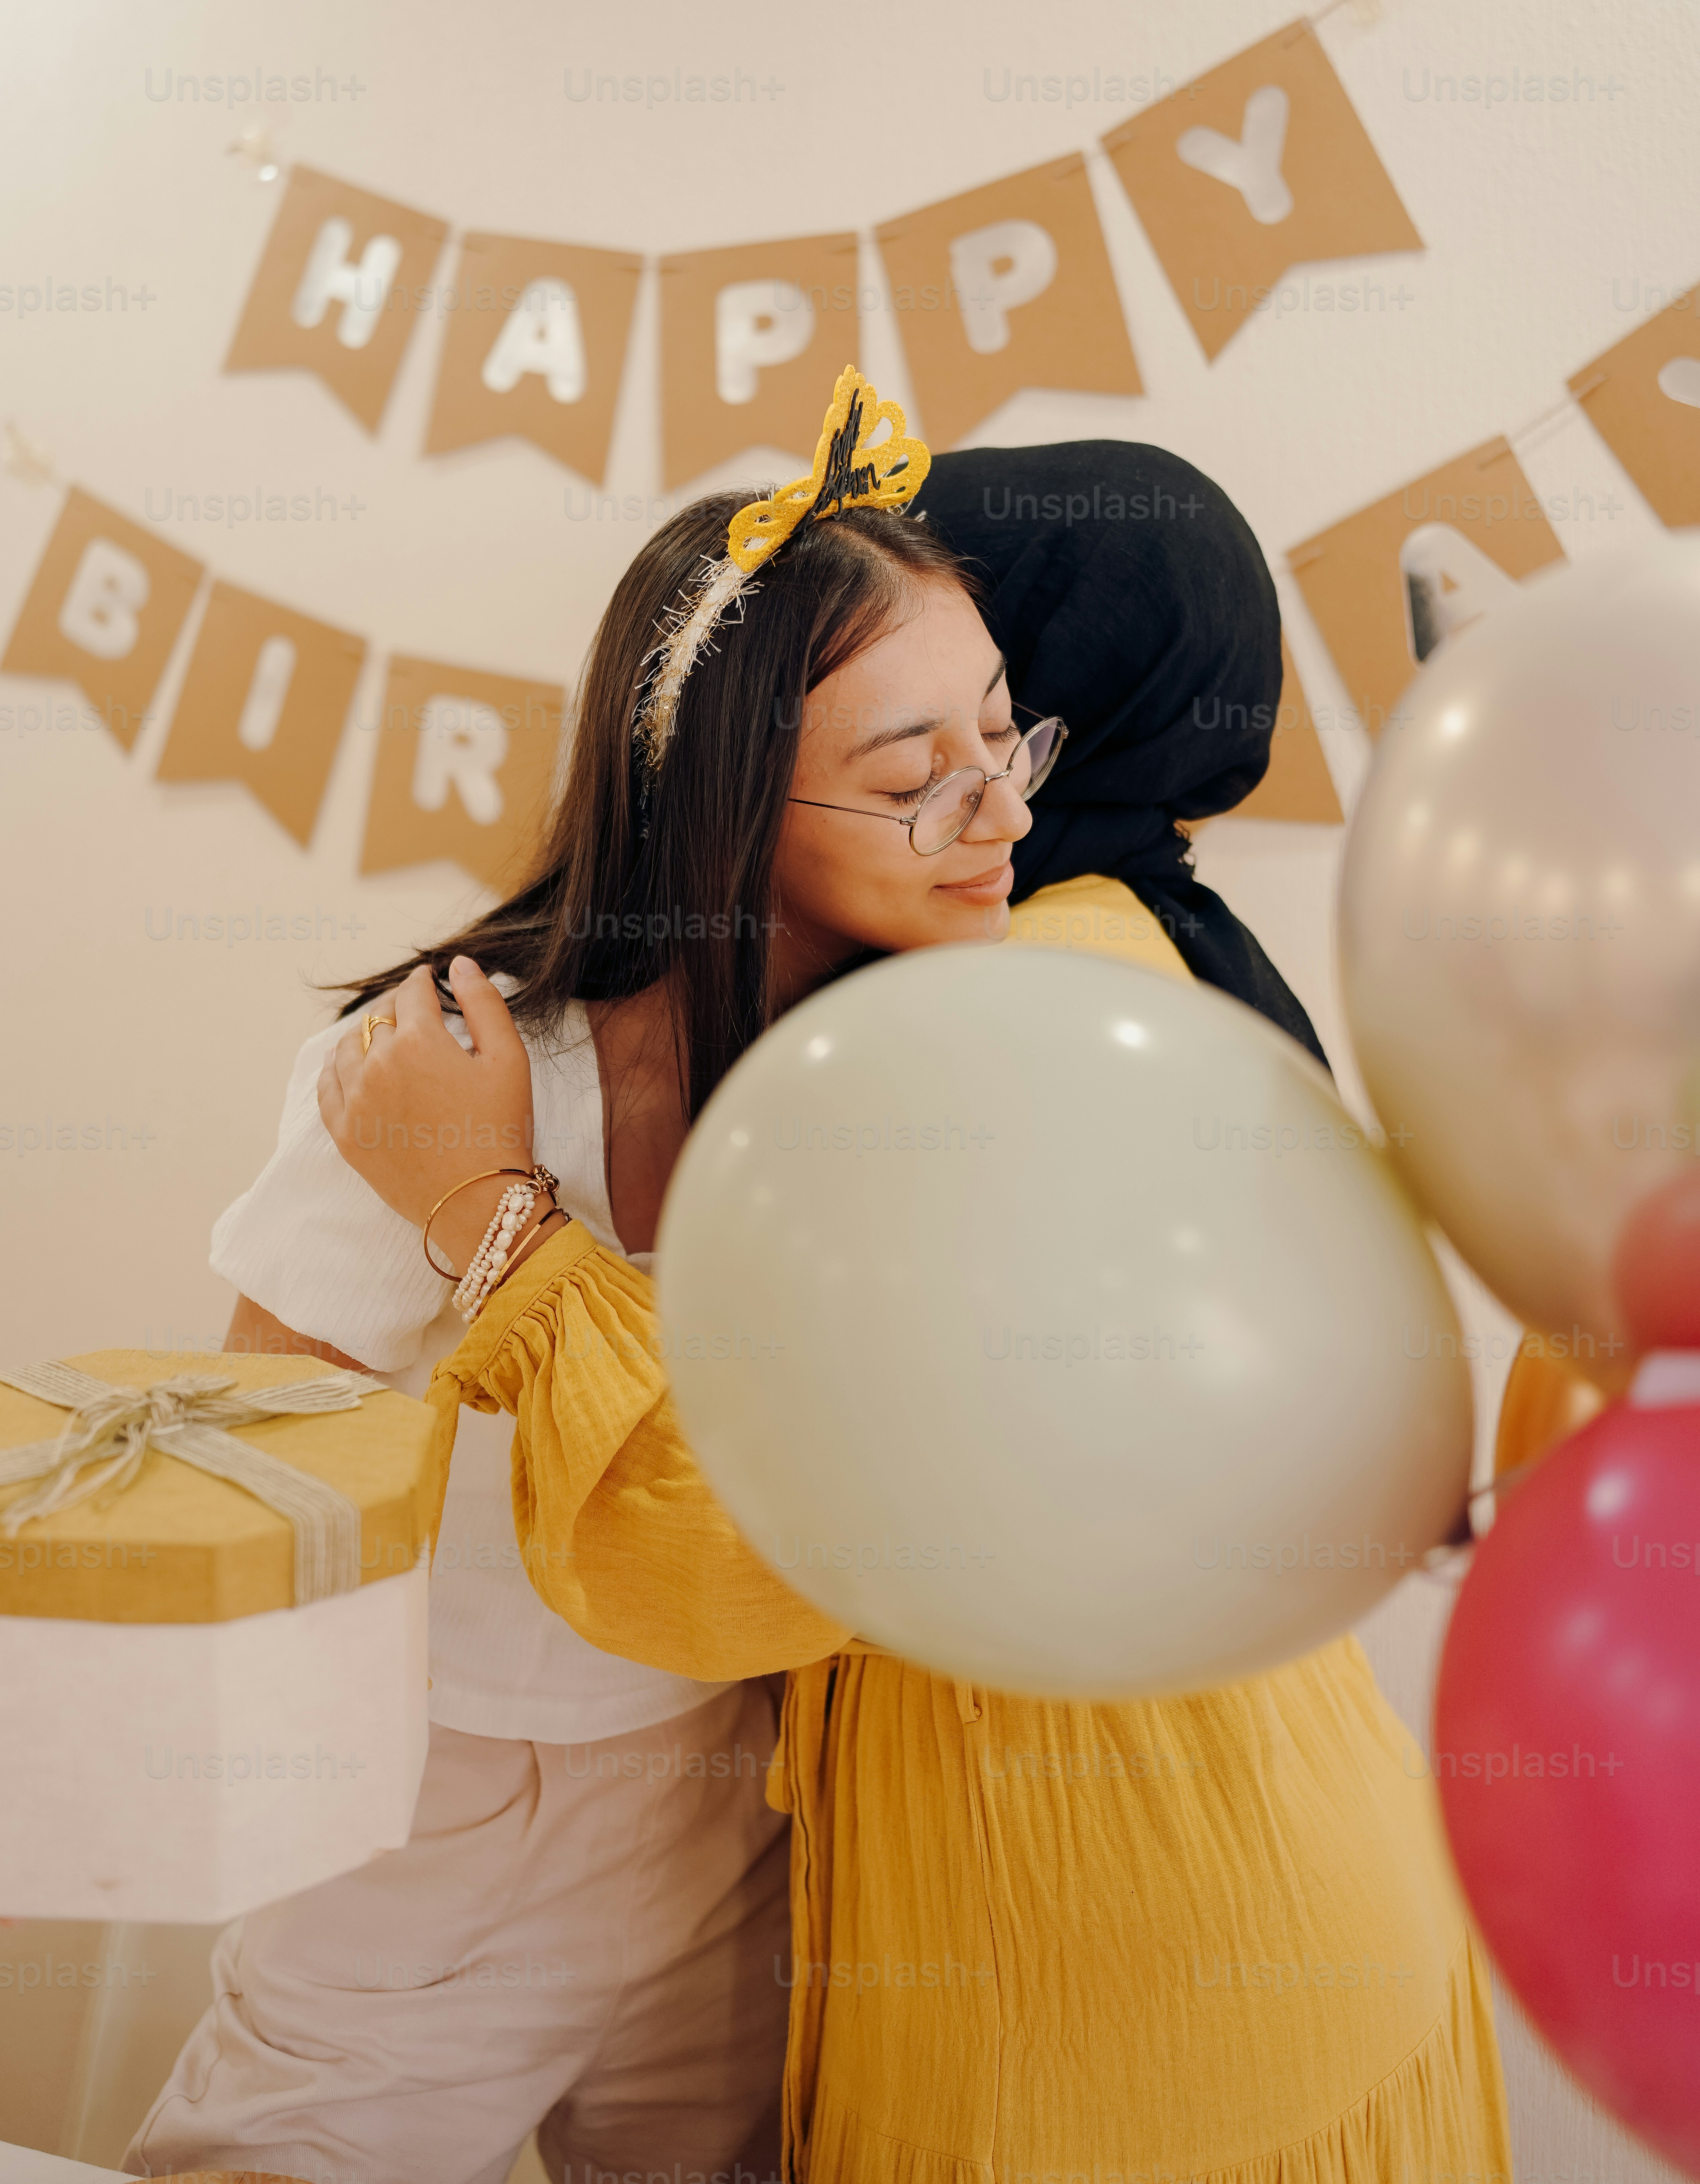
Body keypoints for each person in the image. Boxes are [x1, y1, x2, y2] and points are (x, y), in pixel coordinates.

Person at [306, 371, 1511, 2184]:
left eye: (1011, 735)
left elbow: (732, 1559)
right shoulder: (1118, 946)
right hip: (1230, 1884)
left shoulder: (1004, 1020)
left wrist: (491, 1213)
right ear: (731, 805)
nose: (996, 811)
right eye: (913, 773)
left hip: (1114, 1972)